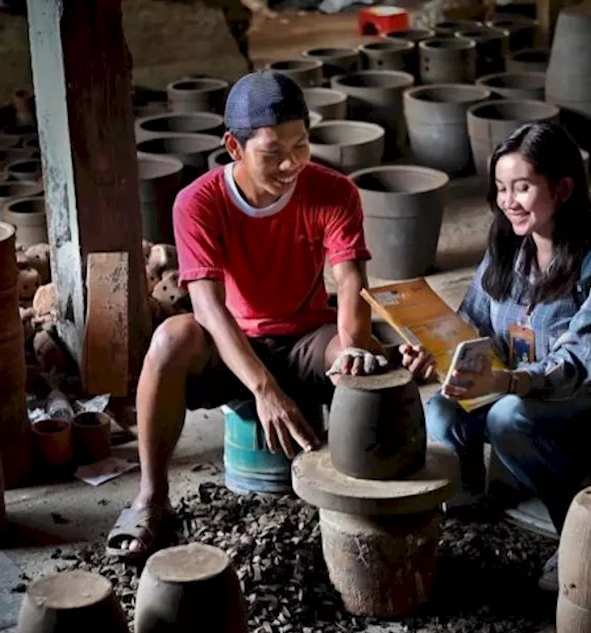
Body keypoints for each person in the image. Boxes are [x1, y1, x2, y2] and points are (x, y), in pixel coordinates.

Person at [107, 71, 388, 560]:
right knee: (172, 338)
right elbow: (209, 310)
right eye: (272, 152)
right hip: (233, 343)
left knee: (366, 358)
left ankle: (359, 500)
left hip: (305, 338)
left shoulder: (334, 191)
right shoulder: (198, 202)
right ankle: (152, 498)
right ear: (234, 148)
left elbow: (349, 282)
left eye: (300, 145)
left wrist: (355, 347)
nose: (290, 163)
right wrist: (263, 389)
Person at [401, 122, 591, 593]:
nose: (508, 201)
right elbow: (473, 328)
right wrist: (434, 352)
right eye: (501, 188)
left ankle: (578, 533)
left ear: (563, 188)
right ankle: (472, 504)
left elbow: (577, 364)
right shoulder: (506, 255)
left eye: (523, 187)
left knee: (508, 418)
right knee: (442, 410)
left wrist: (506, 382)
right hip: (515, 389)